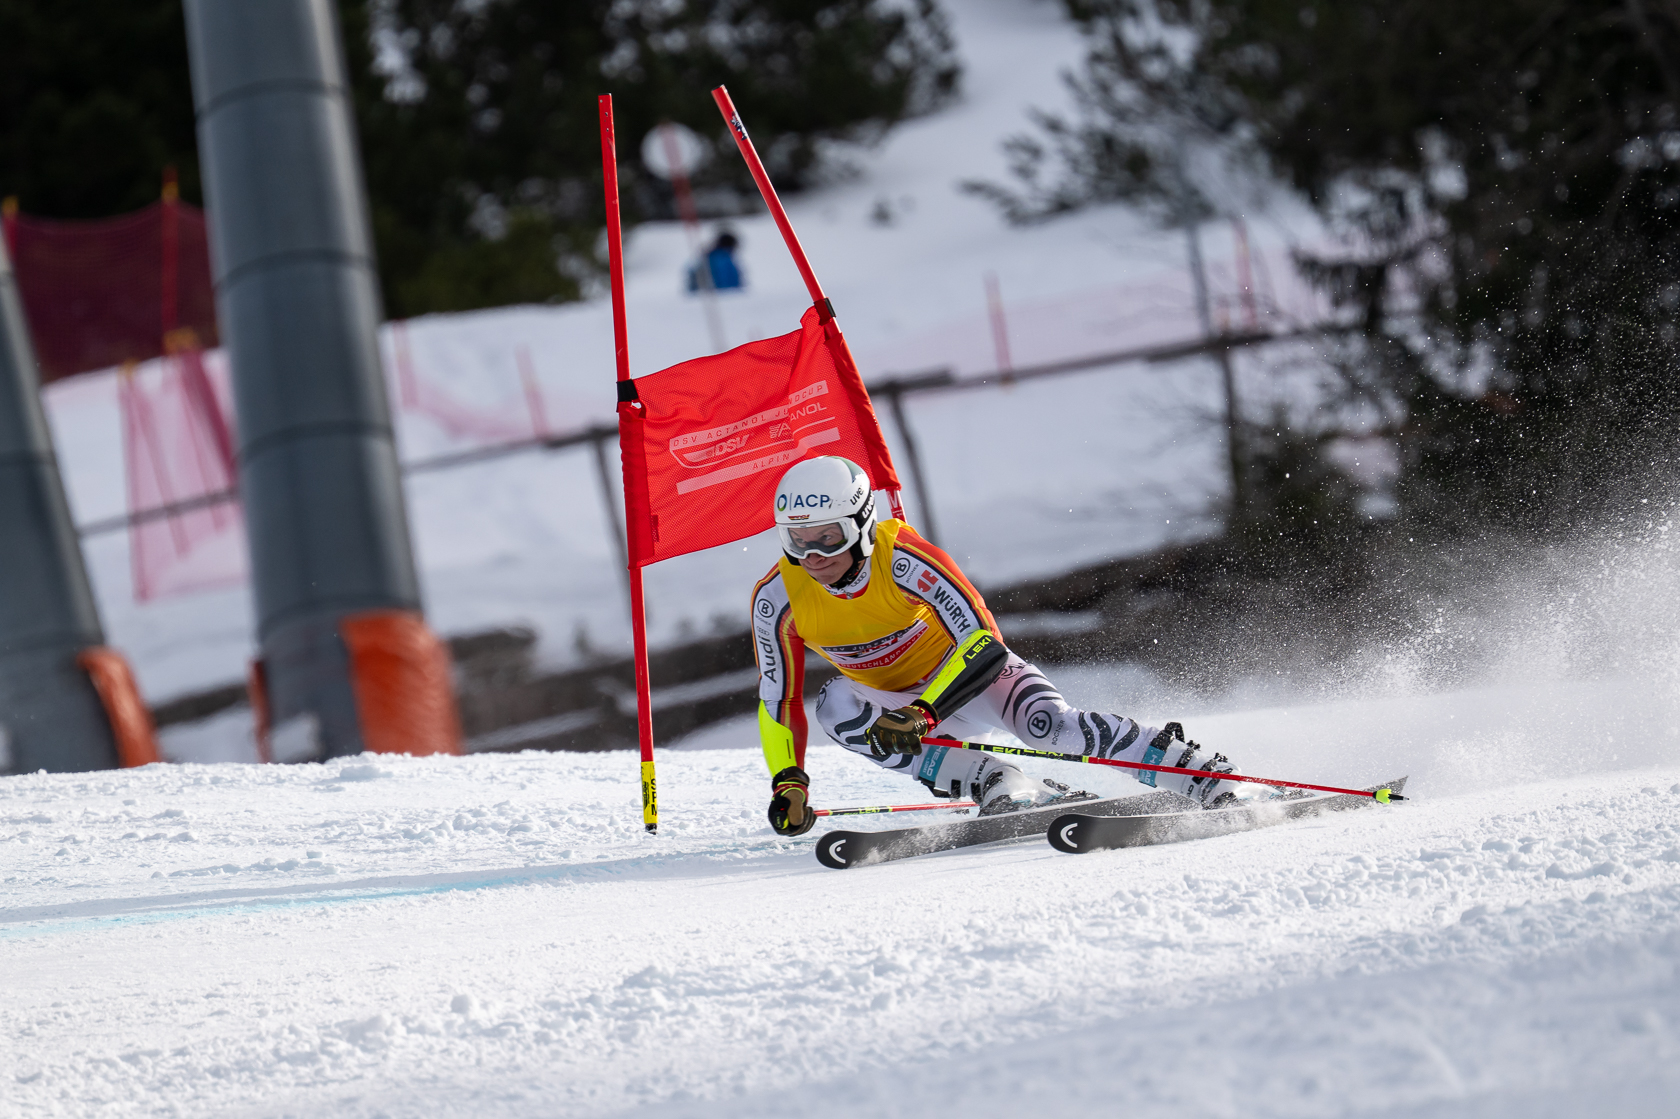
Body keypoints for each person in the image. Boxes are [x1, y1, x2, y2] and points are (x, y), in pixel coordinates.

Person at [752, 456, 1249, 837]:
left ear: (861, 523)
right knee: (835, 705)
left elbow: (984, 645)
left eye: (827, 538)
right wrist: (789, 781)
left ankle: (1192, 768)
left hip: (966, 681)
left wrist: (926, 713)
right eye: (797, 540)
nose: (813, 557)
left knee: (1049, 728)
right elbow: (779, 700)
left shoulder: (904, 560)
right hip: (897, 704)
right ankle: (993, 780)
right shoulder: (777, 598)